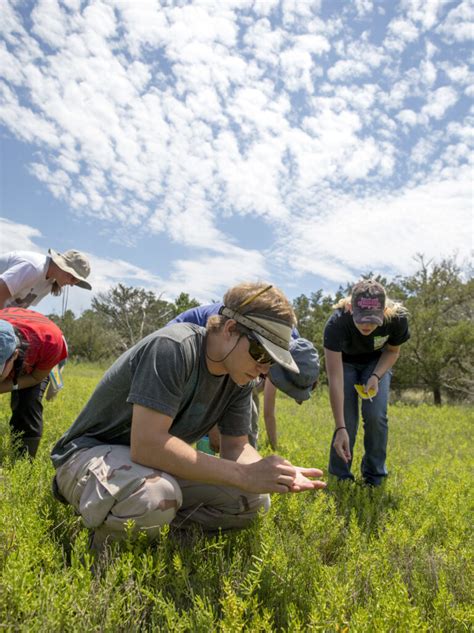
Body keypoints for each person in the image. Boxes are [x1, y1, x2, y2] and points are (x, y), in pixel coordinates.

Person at [51, 282, 326, 548]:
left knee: (254, 501)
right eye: (259, 353)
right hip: (89, 454)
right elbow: (147, 445)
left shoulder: (240, 378)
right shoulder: (173, 347)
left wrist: (267, 472)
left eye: (271, 361)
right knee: (155, 496)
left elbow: (236, 447)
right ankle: (104, 558)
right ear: (230, 329)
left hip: (149, 464)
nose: (263, 369)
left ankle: (155, 539)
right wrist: (242, 474)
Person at [169, 303, 320, 450]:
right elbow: (210, 383)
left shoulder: (283, 342)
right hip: (187, 358)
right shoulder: (231, 329)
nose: (264, 370)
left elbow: (264, 407)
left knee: (244, 420)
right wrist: (214, 427)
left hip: (236, 358)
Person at [324, 279, 410, 486]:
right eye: (362, 319)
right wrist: (340, 427)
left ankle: (374, 477)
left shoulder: (397, 320)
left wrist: (376, 376)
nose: (367, 325)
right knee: (347, 423)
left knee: (376, 416)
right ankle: (340, 478)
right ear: (351, 308)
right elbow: (335, 377)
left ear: (384, 310)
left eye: (373, 320)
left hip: (376, 364)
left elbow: (392, 351)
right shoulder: (336, 324)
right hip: (345, 365)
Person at [0, 308, 68, 458]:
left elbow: (35, 378)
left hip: (50, 350)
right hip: (20, 328)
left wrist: (9, 385)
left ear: (14, 356)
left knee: (28, 402)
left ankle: (23, 459)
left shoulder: (49, 343)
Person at [0, 248, 92, 309]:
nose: (72, 284)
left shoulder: (49, 284)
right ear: (65, 268)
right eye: (73, 279)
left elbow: (19, 309)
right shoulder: (34, 268)